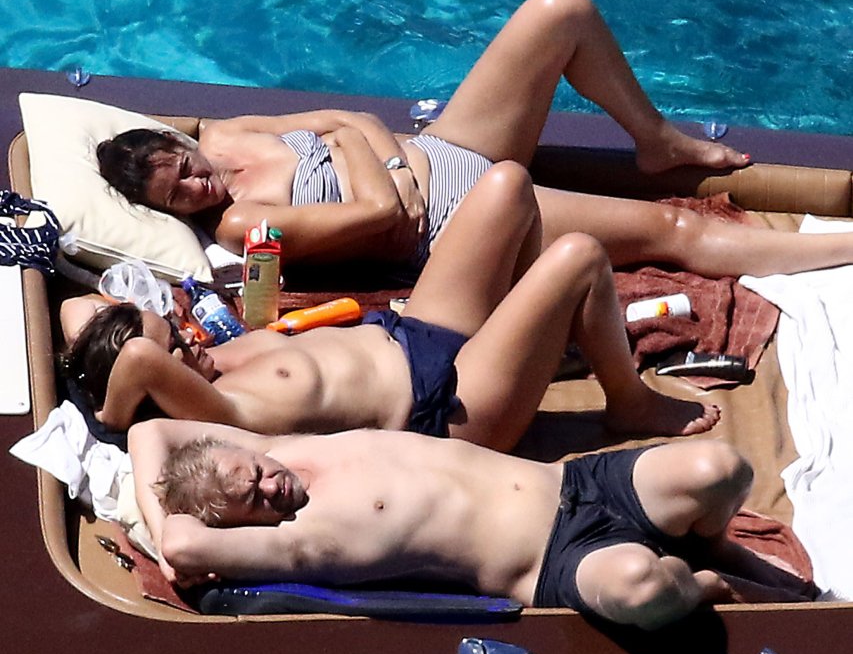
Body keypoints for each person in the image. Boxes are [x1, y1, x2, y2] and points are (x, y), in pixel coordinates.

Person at [98, 0, 853, 283]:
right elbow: (378, 217)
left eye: (183, 168)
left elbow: (349, 119)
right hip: (460, 220)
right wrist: (363, 156)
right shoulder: (242, 226)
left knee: (560, 10)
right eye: (177, 199)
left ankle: (655, 138)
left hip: (443, 150)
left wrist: (381, 161)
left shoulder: (228, 133)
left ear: (180, 145)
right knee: (671, 231)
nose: (197, 188)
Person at [63, 166, 720, 445]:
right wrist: (110, 411)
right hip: (449, 407)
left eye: (179, 329)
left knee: (507, 185)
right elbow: (138, 361)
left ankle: (535, 337)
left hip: (415, 331)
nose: (189, 337)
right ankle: (629, 403)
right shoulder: (217, 411)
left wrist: (133, 327)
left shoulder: (212, 357)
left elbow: (86, 315)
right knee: (577, 255)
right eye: (177, 346)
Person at [130, 420, 814, 628]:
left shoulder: (284, 449)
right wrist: (163, 537)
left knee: (720, 467)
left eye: (254, 470)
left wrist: (235, 468)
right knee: (643, 587)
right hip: (552, 563)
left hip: (576, 483)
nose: (269, 484)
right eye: (253, 500)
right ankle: (706, 583)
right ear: (242, 527)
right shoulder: (297, 542)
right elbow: (182, 544)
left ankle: (712, 543)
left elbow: (148, 431)